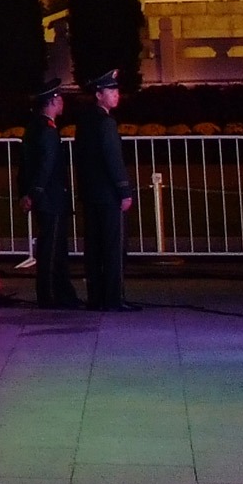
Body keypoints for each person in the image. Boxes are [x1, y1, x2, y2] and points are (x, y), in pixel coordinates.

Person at [74, 70, 136, 310]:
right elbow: (113, 159)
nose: (116, 95)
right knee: (113, 247)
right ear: (99, 95)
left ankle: (96, 296)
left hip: (91, 194)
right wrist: (124, 190)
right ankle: (113, 298)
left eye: (116, 91)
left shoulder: (85, 121)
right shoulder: (106, 122)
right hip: (109, 195)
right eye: (111, 91)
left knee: (95, 247)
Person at [18, 80, 75, 307]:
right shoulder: (48, 131)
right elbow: (45, 166)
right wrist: (35, 193)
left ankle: (59, 293)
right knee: (52, 249)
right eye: (59, 98)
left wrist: (26, 193)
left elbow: (25, 166)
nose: (62, 102)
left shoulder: (33, 128)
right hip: (51, 198)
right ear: (51, 101)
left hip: (45, 197)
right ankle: (51, 294)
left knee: (51, 246)